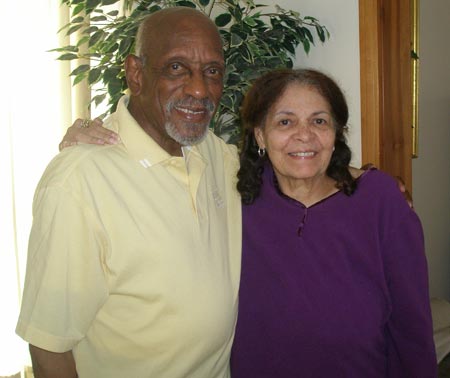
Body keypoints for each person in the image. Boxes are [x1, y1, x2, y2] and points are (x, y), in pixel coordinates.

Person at [16, 7, 241, 378]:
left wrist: (357, 176)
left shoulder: (214, 154)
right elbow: (48, 347)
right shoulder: (79, 181)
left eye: (212, 71)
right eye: (176, 68)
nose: (200, 89)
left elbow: (295, 166)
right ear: (135, 73)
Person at [230, 68, 436, 377]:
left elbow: (412, 327)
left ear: (336, 133)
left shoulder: (381, 201)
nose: (304, 134)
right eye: (285, 122)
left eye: (319, 121)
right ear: (260, 134)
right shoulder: (237, 198)